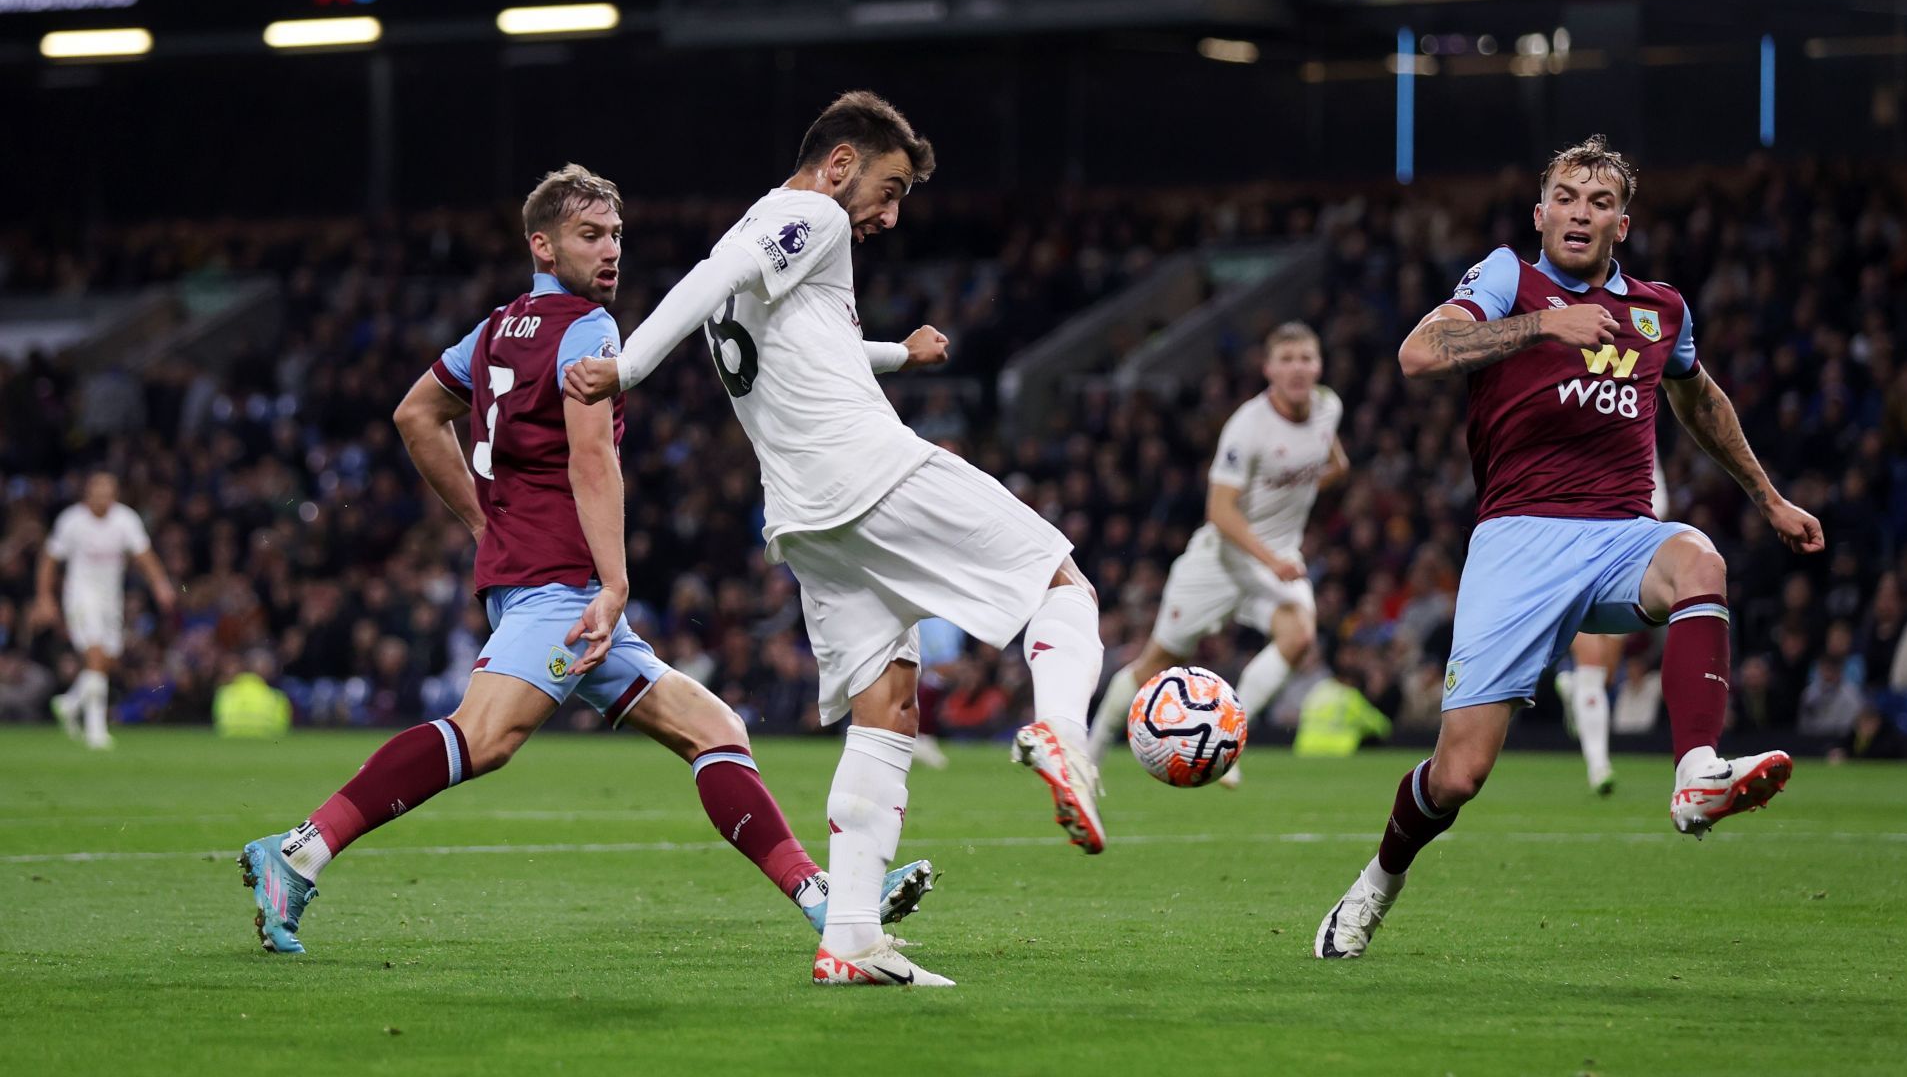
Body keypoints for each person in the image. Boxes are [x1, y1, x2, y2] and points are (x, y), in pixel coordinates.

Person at [238, 164, 932, 955]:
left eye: (616, 237)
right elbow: (590, 461)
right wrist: (612, 583)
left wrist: (480, 521)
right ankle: (298, 851)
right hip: (563, 587)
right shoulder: (589, 330)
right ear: (542, 244)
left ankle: (824, 898)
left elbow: (416, 413)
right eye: (590, 236)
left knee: (715, 731)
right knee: (486, 735)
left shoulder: (497, 328)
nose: (610, 253)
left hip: (538, 578)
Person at [566, 92, 1110, 989]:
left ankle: (851, 937)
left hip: (804, 516)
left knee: (889, 704)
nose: (889, 216)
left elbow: (806, 344)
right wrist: (625, 369)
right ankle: (1060, 735)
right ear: (842, 163)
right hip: (864, 470)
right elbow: (709, 271)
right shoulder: (808, 211)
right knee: (1061, 585)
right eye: (888, 190)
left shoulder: (784, 240)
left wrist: (902, 352)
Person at [1315, 135, 1824, 960]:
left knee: (1700, 558)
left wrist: (1766, 497)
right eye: (1567, 197)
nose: (1581, 212)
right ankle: (1378, 881)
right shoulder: (1512, 279)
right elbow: (1419, 353)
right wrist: (1544, 327)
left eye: (1600, 202)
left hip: (1619, 536)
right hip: (1517, 544)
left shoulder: (1661, 309)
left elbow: (1699, 402)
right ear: (1541, 212)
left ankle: (1697, 769)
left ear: (1622, 222)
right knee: (1457, 778)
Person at [1087, 323, 1345, 788]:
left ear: (1319, 365)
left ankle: (1231, 732)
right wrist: (1272, 559)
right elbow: (1220, 512)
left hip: (1276, 555)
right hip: (1222, 558)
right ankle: (1091, 755)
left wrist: (1309, 487)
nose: (1297, 368)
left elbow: (1332, 460)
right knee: (1157, 660)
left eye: (1306, 358)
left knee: (1299, 633)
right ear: (1268, 369)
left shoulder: (1329, 407)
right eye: (1286, 359)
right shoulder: (1247, 427)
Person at [33, 471, 177, 750]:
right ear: (88, 493)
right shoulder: (72, 521)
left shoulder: (125, 519)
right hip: (80, 596)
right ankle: (95, 729)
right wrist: (44, 598)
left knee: (109, 658)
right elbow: (49, 560)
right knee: (96, 653)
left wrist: (161, 584)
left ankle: (71, 701)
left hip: (111, 598)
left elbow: (144, 555)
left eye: (109, 492)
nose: (104, 498)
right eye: (99, 492)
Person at [1554, 457, 1668, 794]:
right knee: (1591, 664)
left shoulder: (1640, 438)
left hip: (1622, 559)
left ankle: (1573, 688)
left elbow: (1658, 498)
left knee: (1604, 675)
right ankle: (1599, 765)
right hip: (1575, 556)